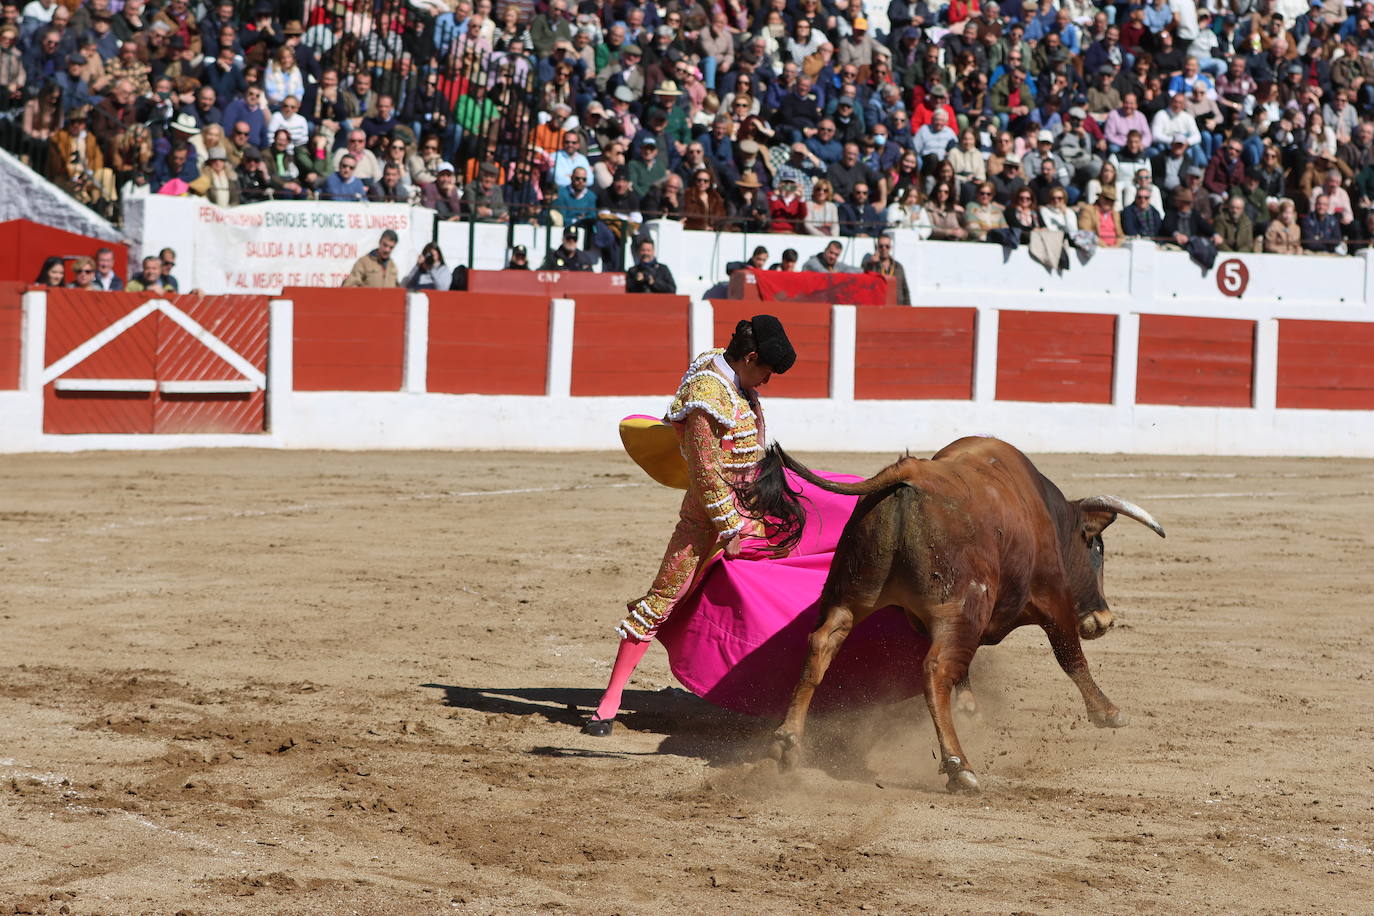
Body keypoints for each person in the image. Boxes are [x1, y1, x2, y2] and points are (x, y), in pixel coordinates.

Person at [582, 316, 796, 735]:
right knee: (664, 598)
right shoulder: (707, 394)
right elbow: (703, 470)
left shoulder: (726, 368)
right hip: (709, 521)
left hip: (753, 508)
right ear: (750, 358)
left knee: (774, 593)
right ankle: (609, 704)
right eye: (766, 371)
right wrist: (730, 527)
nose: (767, 381)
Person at [861, 233, 911, 305]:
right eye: (881, 246)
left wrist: (908, 309)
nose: (884, 249)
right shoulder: (870, 265)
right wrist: (873, 264)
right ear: (877, 247)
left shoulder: (898, 267)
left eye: (887, 246)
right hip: (878, 307)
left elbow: (905, 290)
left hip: (897, 307)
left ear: (891, 247)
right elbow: (865, 285)